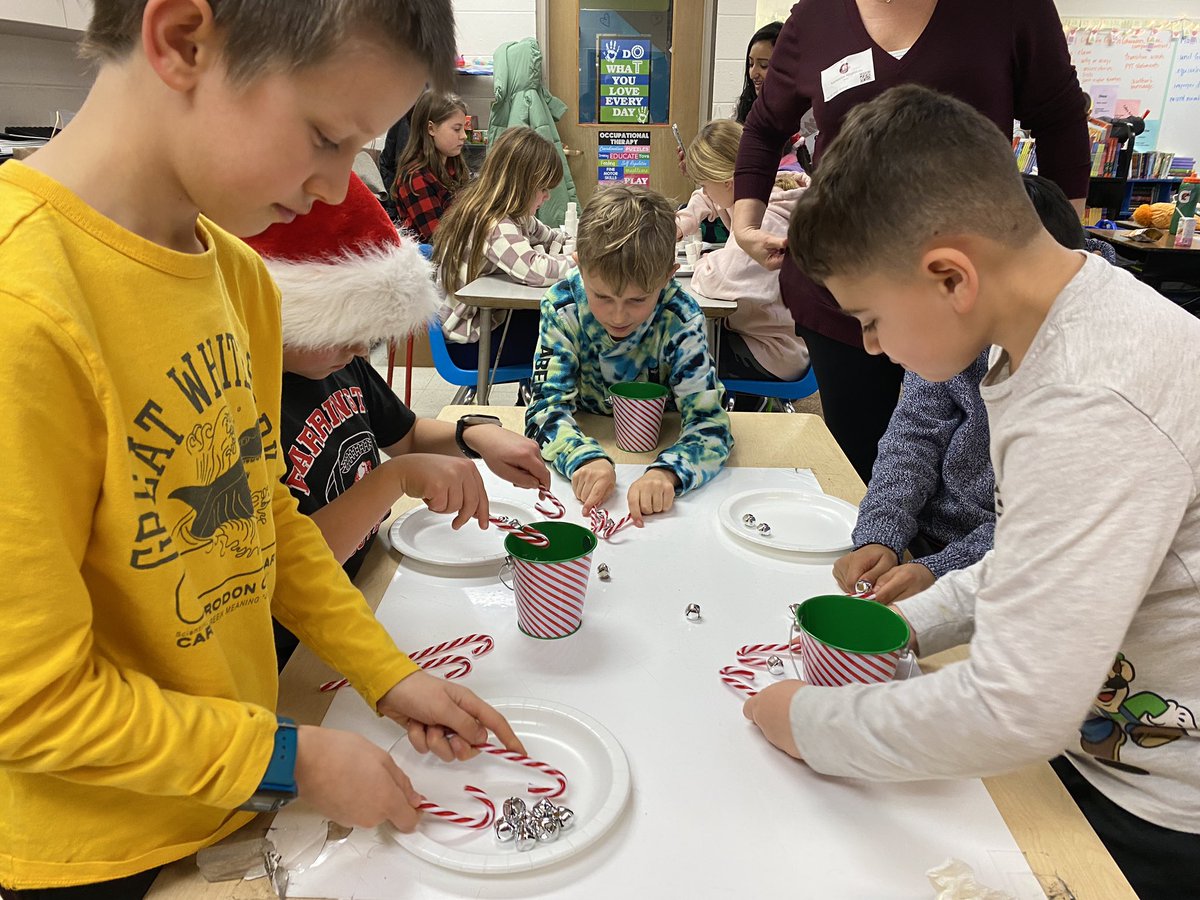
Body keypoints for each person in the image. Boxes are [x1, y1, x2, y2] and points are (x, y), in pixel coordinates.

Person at [0, 2, 526, 897]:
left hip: (233, 790)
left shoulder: (237, 273)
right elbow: (29, 703)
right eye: (326, 136)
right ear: (182, 41)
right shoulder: (24, 308)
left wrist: (387, 676)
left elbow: (264, 519)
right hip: (93, 853)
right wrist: (292, 762)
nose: (334, 187)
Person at [744, 85, 1200, 900]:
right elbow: (1041, 557)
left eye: (872, 318)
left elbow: (1017, 707)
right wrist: (909, 625)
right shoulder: (1055, 336)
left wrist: (807, 725)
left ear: (950, 275)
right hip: (1092, 741)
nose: (875, 349)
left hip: (1151, 806)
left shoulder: (1090, 397)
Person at [732, 0, 1091, 483]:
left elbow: (1060, 118)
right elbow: (763, 127)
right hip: (850, 287)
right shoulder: (816, 16)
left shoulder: (1010, 10)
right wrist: (744, 222)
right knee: (870, 462)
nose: (879, 344)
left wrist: (1060, 250)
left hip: (969, 291)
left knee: (975, 465)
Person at [245, 174, 550, 667]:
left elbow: (405, 435)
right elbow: (288, 568)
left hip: (371, 577)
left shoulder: (336, 363)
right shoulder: (248, 401)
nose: (360, 349)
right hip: (301, 638)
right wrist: (398, 478)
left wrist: (475, 436)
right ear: (283, 311)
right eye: (344, 331)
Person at [832, 169, 1103, 604]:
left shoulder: (1088, 376)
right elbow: (914, 432)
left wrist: (937, 574)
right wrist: (881, 533)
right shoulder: (970, 326)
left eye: (876, 320)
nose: (872, 346)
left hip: (1012, 579)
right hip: (938, 552)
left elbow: (1041, 539)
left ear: (961, 282)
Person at [525, 185, 733, 524]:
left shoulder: (681, 317)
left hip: (658, 443)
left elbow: (710, 423)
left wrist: (668, 473)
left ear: (667, 277)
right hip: (590, 437)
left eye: (637, 300)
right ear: (579, 265)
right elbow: (545, 410)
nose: (618, 316)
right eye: (602, 297)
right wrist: (582, 458)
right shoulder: (562, 307)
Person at [678, 119, 810, 384]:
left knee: (670, 356)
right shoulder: (758, 188)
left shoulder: (766, 220)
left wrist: (706, 259)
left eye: (705, 182)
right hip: (763, 332)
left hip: (773, 350)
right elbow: (707, 197)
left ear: (728, 182)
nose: (704, 191)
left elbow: (717, 277)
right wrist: (682, 222)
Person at [434, 126, 573, 370]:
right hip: (470, 344)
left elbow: (551, 237)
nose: (546, 196)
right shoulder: (494, 223)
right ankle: (537, 399)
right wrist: (581, 260)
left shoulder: (512, 214)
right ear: (521, 185)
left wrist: (580, 243)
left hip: (484, 327)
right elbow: (535, 270)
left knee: (553, 321)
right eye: (542, 188)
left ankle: (528, 398)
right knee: (567, 336)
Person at [390, 90, 471, 243]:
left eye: (464, 129)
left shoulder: (454, 166)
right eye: (456, 129)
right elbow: (439, 238)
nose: (464, 136)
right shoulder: (415, 178)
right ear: (431, 129)